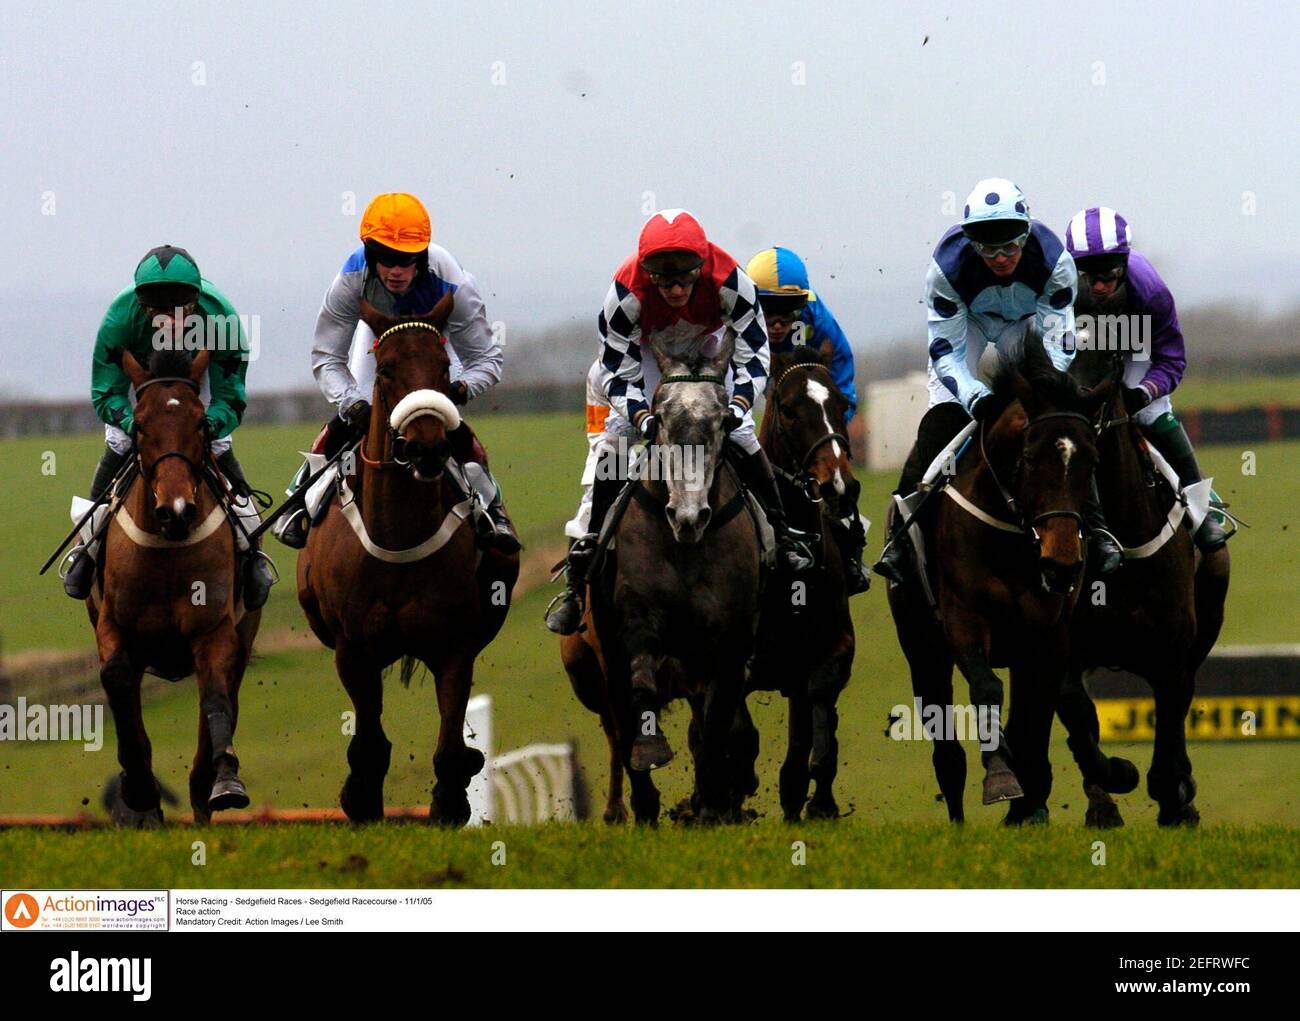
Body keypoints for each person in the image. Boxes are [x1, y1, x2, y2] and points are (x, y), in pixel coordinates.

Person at [544, 209, 815, 635]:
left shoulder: (731, 280)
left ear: (701, 265)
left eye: (683, 279)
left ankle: (782, 535)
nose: (672, 288)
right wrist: (642, 416)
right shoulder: (623, 291)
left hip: (708, 352)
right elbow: (615, 367)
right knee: (616, 443)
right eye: (662, 279)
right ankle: (583, 562)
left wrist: (739, 404)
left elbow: (753, 350)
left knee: (740, 434)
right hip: (648, 357)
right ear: (646, 271)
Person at [874, 178, 1123, 586]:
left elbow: (1059, 343)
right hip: (966, 329)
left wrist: (1044, 391)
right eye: (988, 246)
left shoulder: (1053, 260)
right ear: (971, 242)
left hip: (1024, 329)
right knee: (943, 419)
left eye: (1010, 244)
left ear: (1026, 232)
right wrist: (975, 398)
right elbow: (946, 353)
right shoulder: (946, 268)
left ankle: (1098, 528)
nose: (1001, 257)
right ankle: (900, 538)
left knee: (1061, 427)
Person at [274, 192, 518, 552]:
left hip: (433, 344)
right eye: (386, 260)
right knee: (355, 418)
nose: (396, 271)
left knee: (443, 424)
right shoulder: (351, 278)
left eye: (406, 260)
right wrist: (350, 401)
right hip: (376, 341)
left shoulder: (454, 281)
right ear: (370, 255)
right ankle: (298, 500)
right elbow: (327, 357)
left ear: (423, 254)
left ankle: (491, 510)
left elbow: (487, 359)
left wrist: (459, 390)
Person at [62, 245, 276, 608]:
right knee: (118, 442)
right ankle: (88, 546)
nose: (168, 321)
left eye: (177, 310)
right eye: (156, 311)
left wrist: (207, 424)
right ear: (141, 305)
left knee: (219, 445)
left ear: (195, 301)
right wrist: (134, 424)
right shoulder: (119, 320)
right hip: (141, 386)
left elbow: (230, 397)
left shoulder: (221, 320)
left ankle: (250, 548)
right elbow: (106, 394)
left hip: (198, 382)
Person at [1065, 206, 1229, 552]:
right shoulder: (1060, 287)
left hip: (1136, 345)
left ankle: (1201, 510)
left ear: (1124, 264)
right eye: (1087, 276)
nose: (1098, 286)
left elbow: (1171, 358)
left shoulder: (1150, 291)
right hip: (1081, 345)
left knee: (1149, 412)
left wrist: (1146, 391)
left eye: (1107, 275)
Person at [745, 245, 869, 593]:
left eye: (788, 314)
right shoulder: (735, 315)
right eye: (769, 313)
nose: (778, 325)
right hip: (748, 380)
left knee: (836, 470)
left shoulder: (816, 315)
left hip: (799, 392)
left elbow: (841, 366)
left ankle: (850, 550)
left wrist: (836, 427)